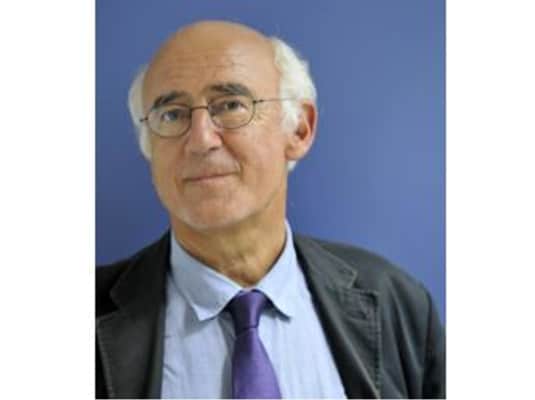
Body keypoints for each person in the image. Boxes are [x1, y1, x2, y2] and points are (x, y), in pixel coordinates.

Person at [96, 20, 445, 399]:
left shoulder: (397, 303)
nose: (200, 140)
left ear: (299, 130)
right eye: (172, 114)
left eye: (231, 105)